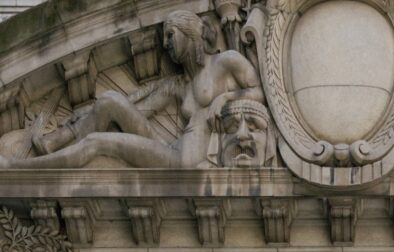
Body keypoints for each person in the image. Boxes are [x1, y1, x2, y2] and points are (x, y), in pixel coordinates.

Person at [3, 10, 264, 170]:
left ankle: (24, 167)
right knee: (109, 99)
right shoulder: (178, 84)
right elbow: (138, 108)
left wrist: (228, 99)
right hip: (172, 148)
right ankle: (56, 142)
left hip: (184, 161)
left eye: (170, 35)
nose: (165, 43)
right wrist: (86, 112)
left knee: (97, 143)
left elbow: (261, 92)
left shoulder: (226, 61)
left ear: (189, 32)